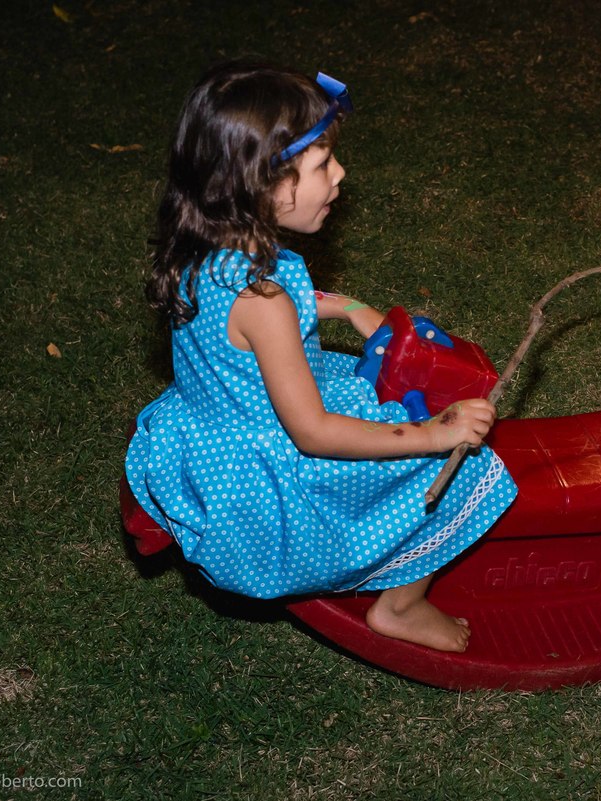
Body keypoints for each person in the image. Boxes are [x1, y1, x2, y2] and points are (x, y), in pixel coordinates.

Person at [125, 61, 516, 652]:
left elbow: (263, 321)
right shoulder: (266, 301)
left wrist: (349, 307)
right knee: (462, 471)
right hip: (274, 472)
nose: (340, 174)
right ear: (259, 188)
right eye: (322, 165)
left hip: (210, 428)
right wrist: (437, 434)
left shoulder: (204, 246)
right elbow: (313, 431)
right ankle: (401, 607)